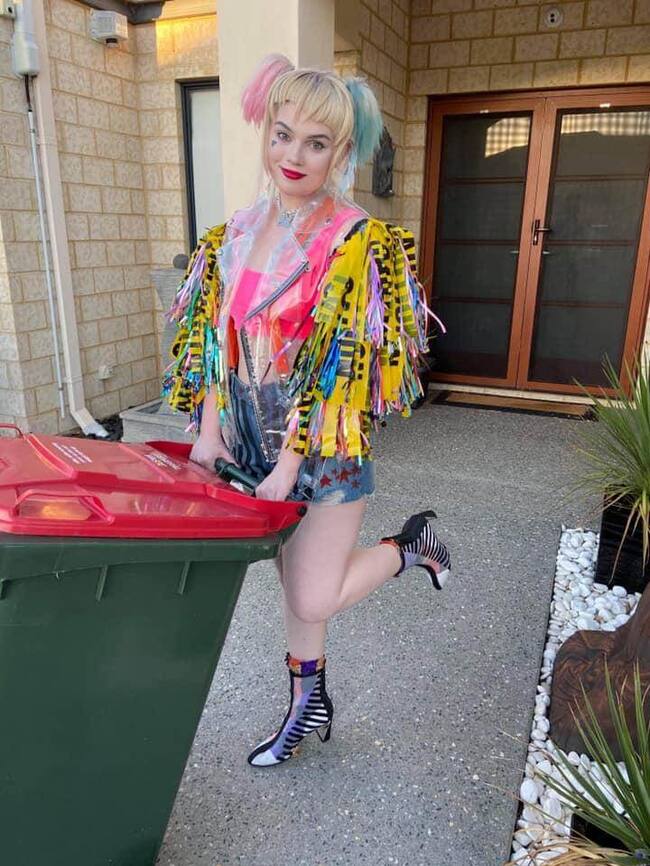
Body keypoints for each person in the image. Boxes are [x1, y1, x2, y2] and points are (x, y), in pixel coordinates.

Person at [163, 54, 452, 768]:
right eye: (283, 134)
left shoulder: (354, 239)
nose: (294, 155)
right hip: (250, 442)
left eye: (316, 143)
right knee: (294, 592)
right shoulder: (237, 231)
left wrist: (290, 466)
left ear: (342, 151)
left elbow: (338, 364)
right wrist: (209, 434)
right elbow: (218, 337)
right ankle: (305, 705)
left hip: (322, 445)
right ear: (266, 131)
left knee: (314, 595)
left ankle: (410, 547)